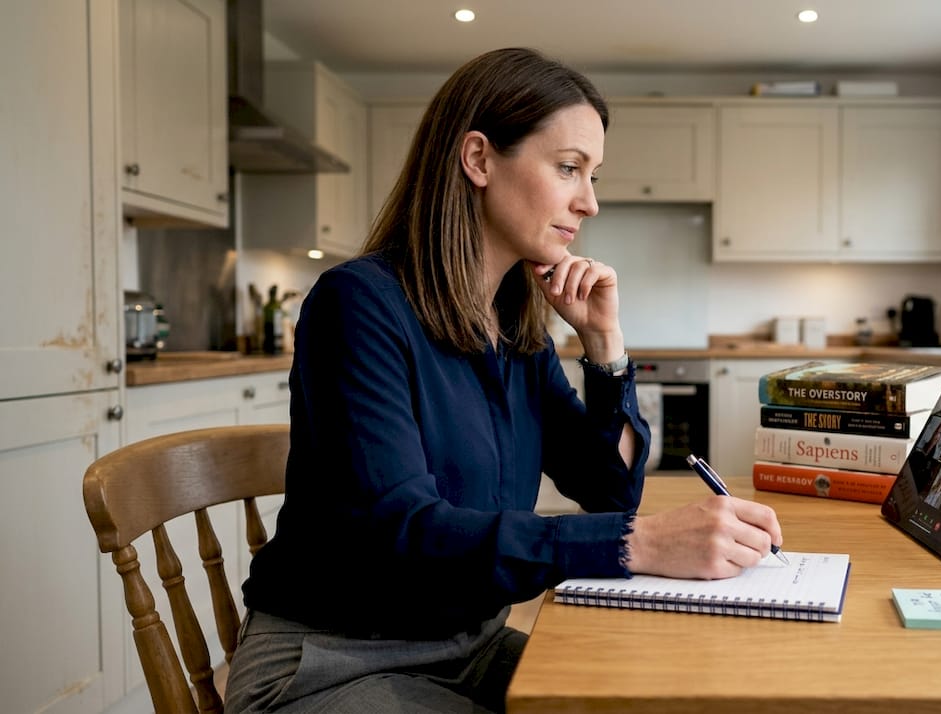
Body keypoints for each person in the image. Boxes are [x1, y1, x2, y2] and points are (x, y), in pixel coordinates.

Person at [224, 48, 783, 714]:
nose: (591, 203)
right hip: (334, 664)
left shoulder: (517, 330)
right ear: (479, 159)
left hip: (473, 645)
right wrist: (638, 546)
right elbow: (401, 532)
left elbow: (609, 489)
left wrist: (603, 347)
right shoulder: (358, 305)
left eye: (593, 175)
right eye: (570, 168)